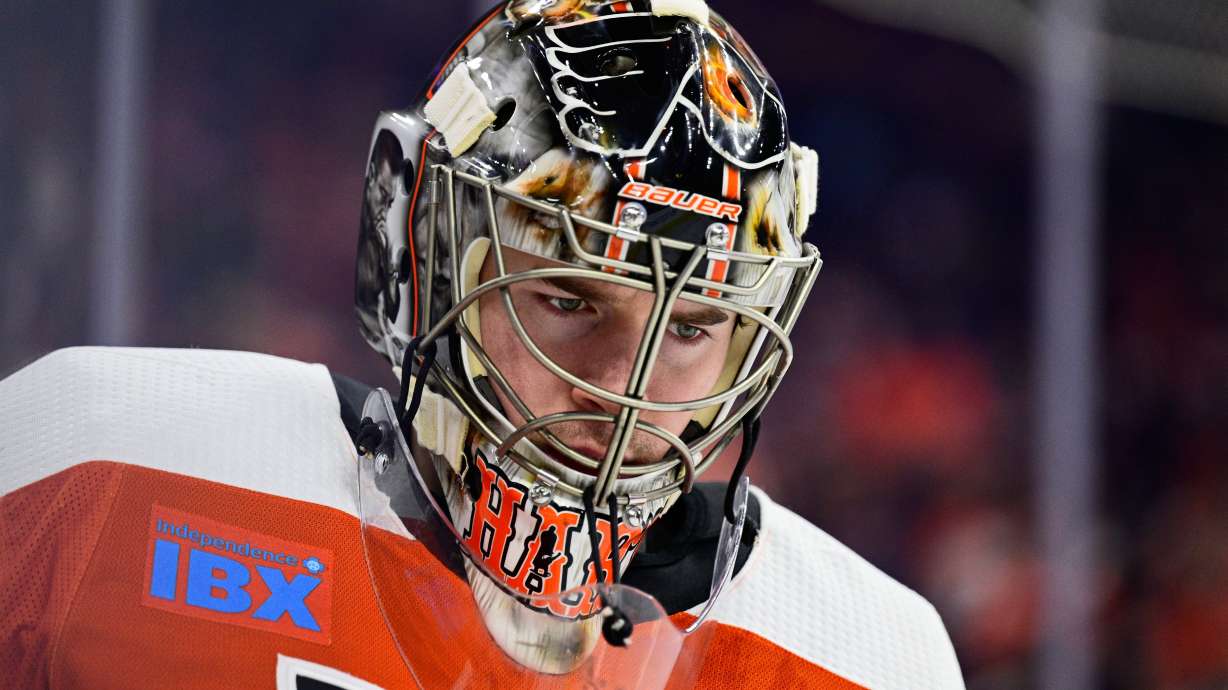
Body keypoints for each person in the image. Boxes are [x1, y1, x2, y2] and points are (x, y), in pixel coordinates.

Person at [0, 2, 965, 688]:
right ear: (422, 250)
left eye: (693, 326)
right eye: (567, 299)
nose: (617, 393)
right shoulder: (98, 470)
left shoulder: (866, 658)